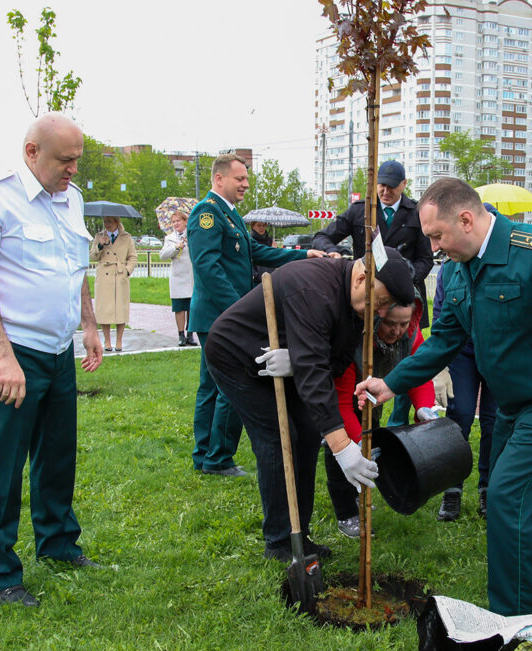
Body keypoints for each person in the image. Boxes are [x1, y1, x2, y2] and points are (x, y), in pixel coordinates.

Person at [357, 178, 532, 617]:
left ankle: (514, 620)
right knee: (514, 489)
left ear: (466, 218)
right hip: (516, 406)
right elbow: (444, 337)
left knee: (505, 496)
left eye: (438, 236)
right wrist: (392, 383)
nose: (435, 247)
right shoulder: (459, 268)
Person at [0, 113, 105, 607]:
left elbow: (73, 266)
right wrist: (1, 356)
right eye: (65, 159)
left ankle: (58, 544)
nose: (73, 169)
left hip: (57, 348)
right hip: (10, 349)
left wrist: (90, 324)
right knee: (2, 461)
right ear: (32, 151)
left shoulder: (71, 198)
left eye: (78, 159)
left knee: (57, 455)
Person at [206, 248, 414, 561]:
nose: (382, 313)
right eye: (381, 302)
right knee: (280, 437)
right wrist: (343, 448)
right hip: (237, 356)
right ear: (361, 278)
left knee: (305, 433)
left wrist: (298, 362)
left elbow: (338, 361)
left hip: (288, 362)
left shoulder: (360, 305)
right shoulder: (313, 287)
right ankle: (279, 543)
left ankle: (299, 535)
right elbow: (315, 379)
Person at [187, 153, 323, 476]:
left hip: (220, 315)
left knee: (211, 385)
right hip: (219, 315)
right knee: (230, 385)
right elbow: (207, 266)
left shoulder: (229, 214)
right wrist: (237, 310)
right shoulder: (207, 213)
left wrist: (303, 255)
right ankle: (217, 458)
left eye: (246, 179)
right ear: (219, 179)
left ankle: (205, 455)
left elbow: (255, 252)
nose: (246, 184)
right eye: (240, 179)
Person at [326, 296, 436, 538]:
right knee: (340, 447)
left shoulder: (411, 334)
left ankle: (357, 495)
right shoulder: (352, 342)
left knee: (371, 431)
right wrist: (354, 444)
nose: (397, 331)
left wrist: (424, 408)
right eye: (390, 324)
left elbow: (418, 373)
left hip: (372, 395)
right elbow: (341, 405)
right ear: (376, 317)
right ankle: (345, 511)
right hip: (342, 393)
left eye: (404, 324)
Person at [313, 160, 434, 328]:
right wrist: (333, 252)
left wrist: (406, 278)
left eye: (391, 186)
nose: (385, 191)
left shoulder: (417, 213)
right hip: (368, 299)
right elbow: (321, 237)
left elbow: (426, 259)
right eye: (382, 185)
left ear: (404, 184)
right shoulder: (360, 211)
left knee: (406, 351)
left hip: (405, 300)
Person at [432, 254, 498, 522]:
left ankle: (488, 489)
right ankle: (452, 489)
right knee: (459, 416)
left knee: (495, 421)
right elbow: (439, 312)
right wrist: (440, 365)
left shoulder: (501, 260)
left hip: (497, 351)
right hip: (462, 350)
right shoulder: (449, 268)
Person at [90, 216, 137, 352]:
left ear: (117, 222)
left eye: (110, 222)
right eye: (105, 222)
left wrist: (127, 271)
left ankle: (119, 340)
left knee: (120, 309)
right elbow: (93, 256)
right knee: (105, 309)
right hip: (104, 276)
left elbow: (133, 256)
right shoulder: (99, 236)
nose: (107, 224)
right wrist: (100, 245)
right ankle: (107, 341)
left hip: (120, 275)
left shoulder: (126, 238)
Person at [158, 201, 197, 347]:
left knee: (191, 307)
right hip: (177, 277)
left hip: (191, 276)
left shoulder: (192, 234)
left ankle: (190, 334)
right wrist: (176, 247)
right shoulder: (169, 238)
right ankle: (180, 335)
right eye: (173, 222)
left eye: (178, 221)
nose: (176, 224)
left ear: (185, 221)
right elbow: (163, 255)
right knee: (179, 307)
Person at [249, 220, 276, 286]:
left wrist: (274, 250)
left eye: (263, 225)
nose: (261, 228)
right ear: (253, 226)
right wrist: (255, 275)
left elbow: (273, 258)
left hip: (271, 277)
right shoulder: (250, 241)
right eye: (258, 225)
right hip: (257, 280)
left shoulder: (269, 240)